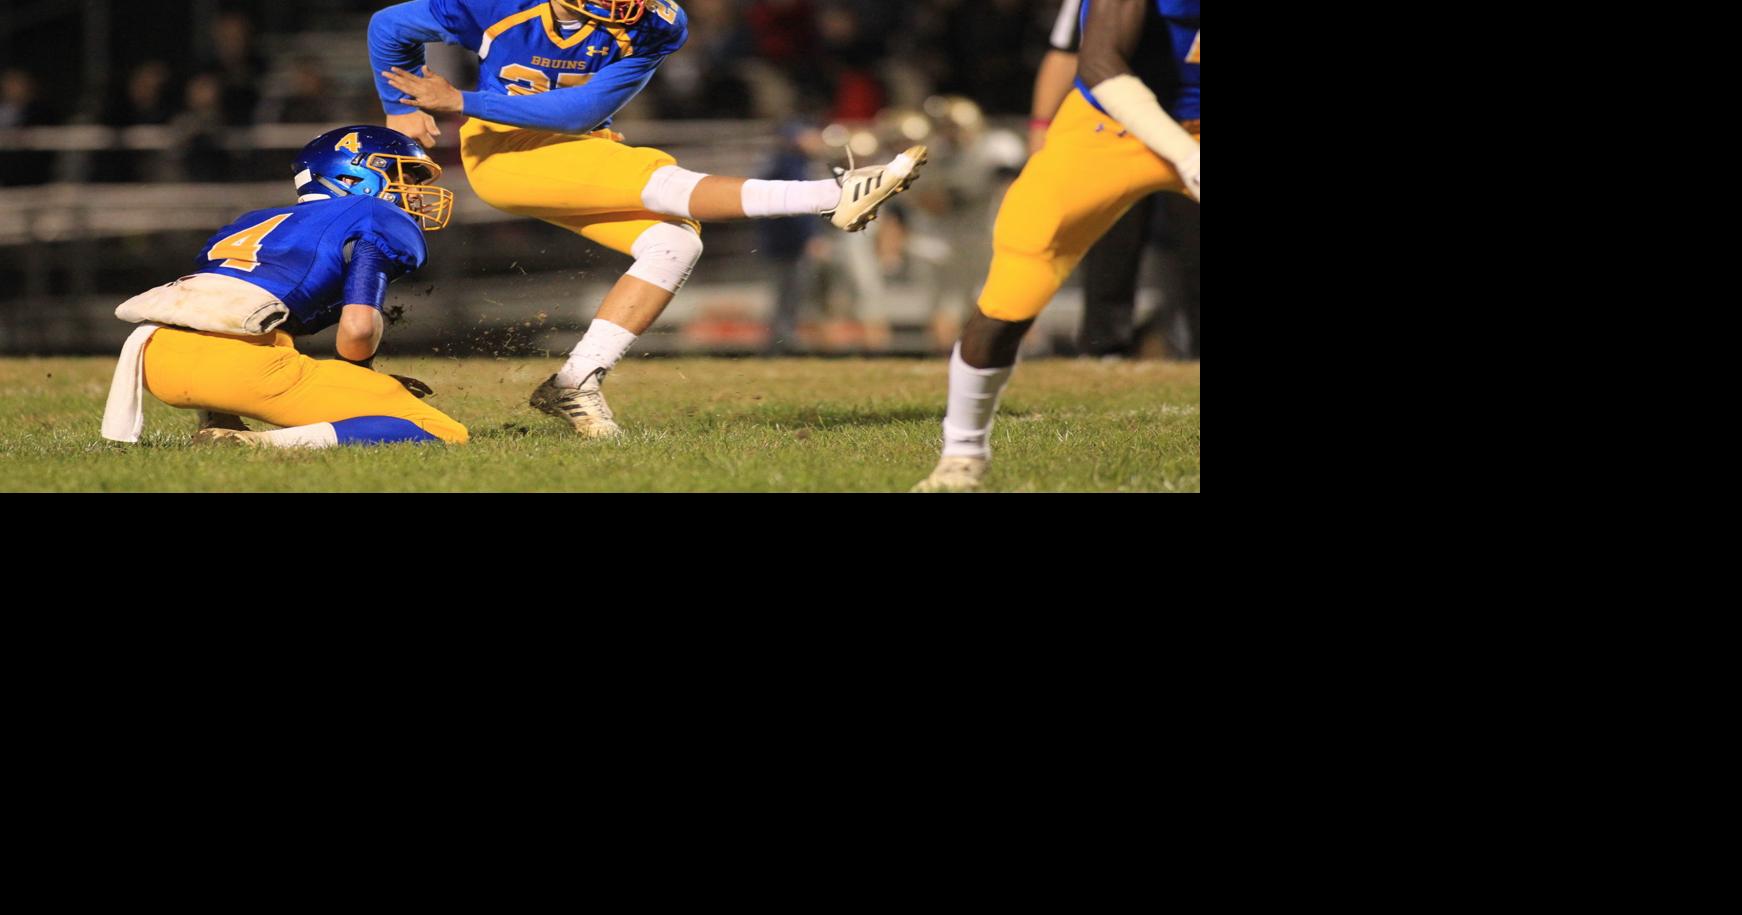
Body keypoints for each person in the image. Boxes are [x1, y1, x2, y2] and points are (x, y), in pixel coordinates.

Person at [367, 0, 927, 437]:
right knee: (667, 188)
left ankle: (575, 382)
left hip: (579, 140)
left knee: (674, 244)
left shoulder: (659, 23)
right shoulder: (499, 6)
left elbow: (578, 111)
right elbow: (390, 26)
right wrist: (401, 107)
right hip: (506, 154)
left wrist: (460, 100)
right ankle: (831, 194)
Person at [912, 0, 1199, 492]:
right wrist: (1186, 155)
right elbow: (1101, 64)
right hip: (1113, 125)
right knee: (1017, 281)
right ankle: (962, 451)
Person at [100, 126, 469, 449]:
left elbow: (214, 307)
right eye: (405, 178)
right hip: (236, 371)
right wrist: (358, 377)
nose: (414, 194)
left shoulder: (253, 221)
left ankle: (218, 419)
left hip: (152, 357)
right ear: (355, 179)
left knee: (272, 330)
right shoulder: (372, 214)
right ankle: (256, 444)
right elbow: (357, 330)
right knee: (438, 428)